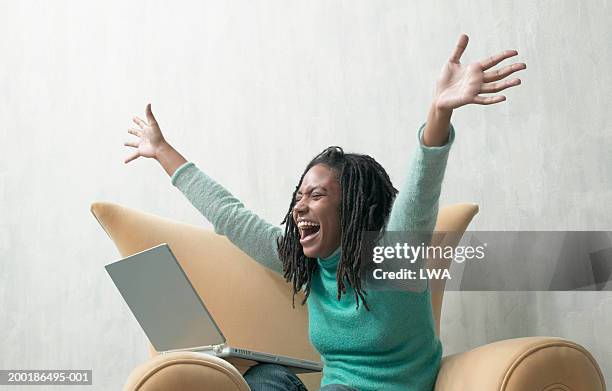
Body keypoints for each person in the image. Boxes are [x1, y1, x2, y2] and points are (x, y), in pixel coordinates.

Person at [123, 34, 525, 391]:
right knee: (262, 379)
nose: (299, 207)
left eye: (316, 195)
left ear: (351, 206)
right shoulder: (306, 262)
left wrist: (439, 112)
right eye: (298, 196)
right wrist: (162, 151)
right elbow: (231, 216)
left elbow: (421, 193)